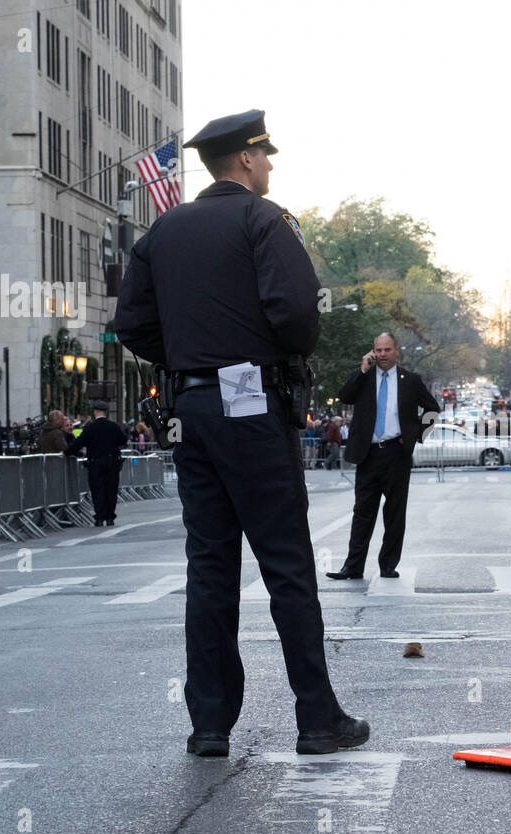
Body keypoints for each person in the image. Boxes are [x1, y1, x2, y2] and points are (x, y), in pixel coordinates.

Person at [114, 107, 367, 758]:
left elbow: (132, 325)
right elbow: (296, 313)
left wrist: (187, 355)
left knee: (209, 567)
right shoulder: (263, 219)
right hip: (251, 404)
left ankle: (209, 725)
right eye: (266, 156)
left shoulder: (162, 232)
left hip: (191, 409)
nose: (272, 166)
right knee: (285, 563)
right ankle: (316, 717)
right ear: (247, 161)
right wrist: (261, 350)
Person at [327, 332, 440, 579]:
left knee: (395, 513)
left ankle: (388, 565)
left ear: (396, 350)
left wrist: (415, 435)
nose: (382, 355)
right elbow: (345, 396)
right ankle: (353, 567)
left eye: (387, 350)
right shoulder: (365, 378)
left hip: (396, 454)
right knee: (362, 513)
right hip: (368, 454)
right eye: (378, 350)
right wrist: (362, 369)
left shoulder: (410, 380)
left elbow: (433, 409)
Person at [65, 400, 127, 526]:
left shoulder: (90, 427)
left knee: (97, 490)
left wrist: (67, 452)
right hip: (111, 461)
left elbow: (78, 443)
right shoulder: (113, 426)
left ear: (95, 412)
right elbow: (123, 439)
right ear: (105, 412)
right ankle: (110, 516)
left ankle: (99, 517)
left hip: (96, 462)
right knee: (111, 489)